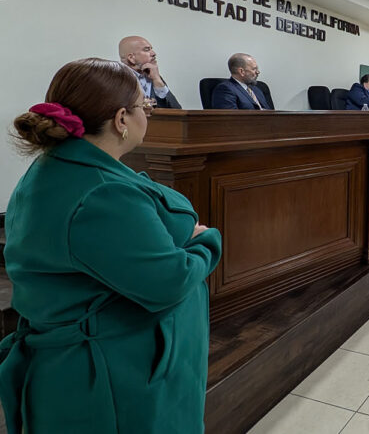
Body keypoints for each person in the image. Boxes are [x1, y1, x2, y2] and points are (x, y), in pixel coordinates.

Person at [0, 58, 222, 433]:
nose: (147, 115)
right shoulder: (103, 195)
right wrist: (206, 242)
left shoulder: (57, 168)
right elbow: (169, 280)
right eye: (144, 107)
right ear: (121, 119)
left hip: (86, 363)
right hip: (110, 376)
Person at [118, 36, 182, 109]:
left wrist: (157, 80)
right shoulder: (117, 79)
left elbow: (176, 109)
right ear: (131, 58)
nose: (154, 53)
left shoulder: (154, 75)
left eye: (151, 49)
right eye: (147, 50)